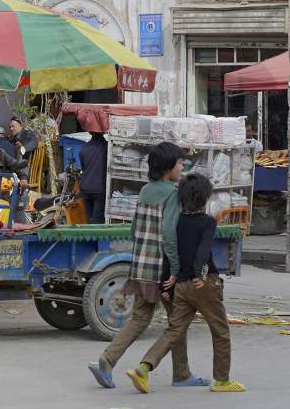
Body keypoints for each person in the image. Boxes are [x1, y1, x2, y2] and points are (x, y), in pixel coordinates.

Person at [87, 142, 208, 390]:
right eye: (179, 162)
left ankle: (107, 361)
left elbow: (134, 229)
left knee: (140, 319)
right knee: (178, 320)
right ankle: (180, 374)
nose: (182, 165)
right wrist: (175, 268)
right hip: (162, 269)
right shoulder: (173, 194)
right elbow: (169, 234)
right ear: (168, 168)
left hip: (140, 264)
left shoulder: (144, 191)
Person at [125, 173, 245, 393]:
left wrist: (164, 286)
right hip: (204, 285)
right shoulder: (208, 222)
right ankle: (222, 381)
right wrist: (200, 274)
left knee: (173, 331)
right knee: (220, 331)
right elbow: (203, 251)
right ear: (205, 198)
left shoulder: (176, 223)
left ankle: (143, 368)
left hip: (180, 286)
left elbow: (170, 253)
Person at [79, 132, 109, 223]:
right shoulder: (107, 147)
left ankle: (90, 235)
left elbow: (84, 168)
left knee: (89, 218)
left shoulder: (83, 148)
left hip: (85, 187)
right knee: (97, 220)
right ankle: (95, 236)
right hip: (99, 188)